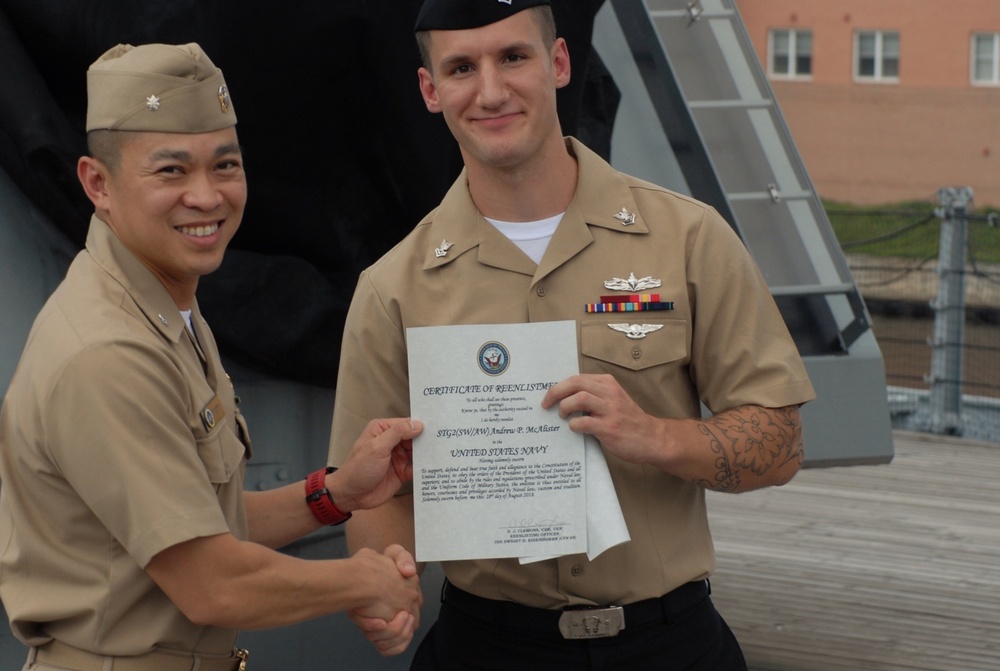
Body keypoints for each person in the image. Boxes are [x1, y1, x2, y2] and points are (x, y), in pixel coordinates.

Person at [329, 1, 817, 668]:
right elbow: (371, 489)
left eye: (514, 57)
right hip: (485, 647)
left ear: (559, 64)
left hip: (667, 643)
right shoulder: (393, 288)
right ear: (430, 89)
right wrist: (388, 583)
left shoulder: (689, 239)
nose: (491, 90)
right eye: (462, 67)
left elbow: (782, 442)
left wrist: (655, 435)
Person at [0, 42, 425, 671]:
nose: (206, 197)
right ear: (98, 183)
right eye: (170, 171)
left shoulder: (165, 308)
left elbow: (202, 522)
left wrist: (335, 494)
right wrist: (366, 581)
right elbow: (212, 582)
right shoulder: (108, 352)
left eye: (225, 165)